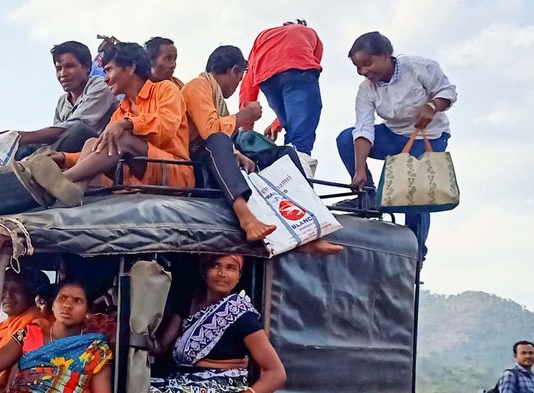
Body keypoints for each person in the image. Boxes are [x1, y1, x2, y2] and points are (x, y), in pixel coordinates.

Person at [181, 46, 341, 254]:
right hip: (196, 161)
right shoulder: (198, 85)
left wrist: (238, 154)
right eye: (239, 80)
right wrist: (244, 116)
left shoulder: (215, 97)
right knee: (220, 140)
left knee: (284, 154)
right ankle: (247, 219)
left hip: (216, 155)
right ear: (235, 71)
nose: (238, 85)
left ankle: (308, 225)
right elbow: (210, 132)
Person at [144, 254, 287, 393]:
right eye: (216, 266)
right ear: (204, 271)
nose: (222, 273)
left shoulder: (242, 316)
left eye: (231, 268)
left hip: (220, 388)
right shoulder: (189, 303)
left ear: (239, 276)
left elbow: (276, 373)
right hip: (180, 381)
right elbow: (161, 347)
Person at [16, 42, 194, 205]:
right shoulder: (122, 110)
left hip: (175, 173)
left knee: (120, 137)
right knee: (92, 142)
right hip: (138, 178)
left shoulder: (165, 89)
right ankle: (73, 188)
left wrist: (127, 124)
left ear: (130, 67)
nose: (106, 78)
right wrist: (64, 157)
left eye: (109, 70)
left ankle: (64, 179)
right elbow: (101, 150)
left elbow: (167, 126)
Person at [336, 31, 458, 263]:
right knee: (345, 138)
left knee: (414, 196)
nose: (363, 72)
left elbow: (448, 92)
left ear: (386, 55)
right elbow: (364, 128)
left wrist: (432, 107)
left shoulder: (420, 67)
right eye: (358, 67)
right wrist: (359, 171)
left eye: (367, 64)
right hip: (393, 136)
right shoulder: (366, 89)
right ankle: (369, 197)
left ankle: (415, 253)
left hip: (428, 137)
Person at [15, 41, 119, 159]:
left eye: (69, 66)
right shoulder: (62, 102)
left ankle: (33, 162)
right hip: (67, 152)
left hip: (98, 153)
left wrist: (23, 136)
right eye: (58, 68)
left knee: (80, 131)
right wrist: (16, 139)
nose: (63, 74)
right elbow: (57, 137)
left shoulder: (100, 86)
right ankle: (26, 163)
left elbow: (73, 127)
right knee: (21, 145)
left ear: (86, 67)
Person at [238, 20, 324, 155]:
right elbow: (311, 68)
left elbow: (248, 80)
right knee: (300, 133)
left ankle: (289, 163)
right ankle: (298, 167)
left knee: (291, 127)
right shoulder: (310, 32)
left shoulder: (264, 35)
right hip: (299, 71)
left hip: (267, 80)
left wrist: (246, 124)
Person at [0, 268, 50, 393]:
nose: (8, 295)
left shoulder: (33, 325)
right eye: (4, 288)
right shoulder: (4, 325)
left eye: (16, 290)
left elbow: (11, 382)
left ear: (31, 295)